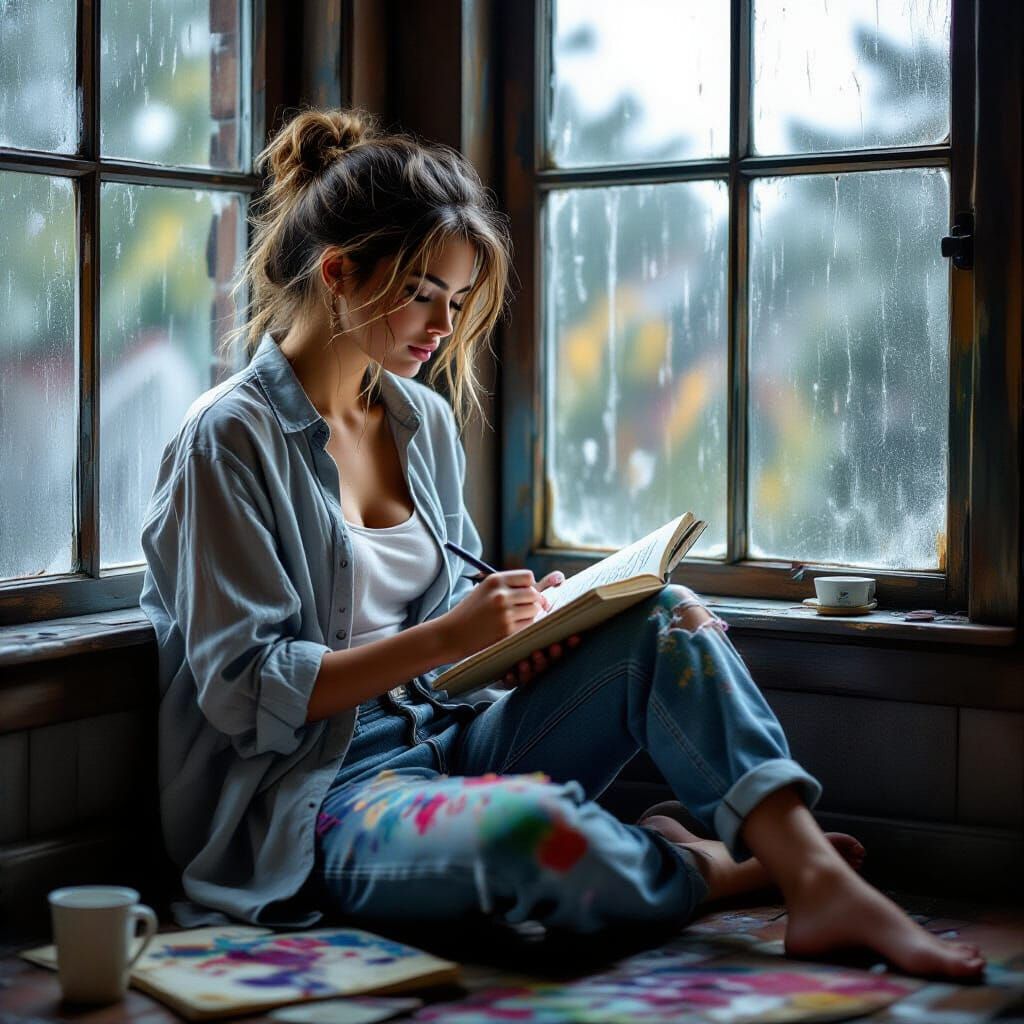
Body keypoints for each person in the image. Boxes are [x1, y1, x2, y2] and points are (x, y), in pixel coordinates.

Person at [139, 107, 984, 979]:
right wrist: (453, 635)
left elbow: (446, 637)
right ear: (339, 272)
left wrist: (521, 639)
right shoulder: (227, 439)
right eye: (423, 293)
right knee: (532, 839)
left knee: (668, 614)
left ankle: (814, 879)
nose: (443, 325)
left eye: (457, 300)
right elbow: (245, 689)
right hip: (320, 800)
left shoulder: (420, 420)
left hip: (455, 737)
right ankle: (702, 868)